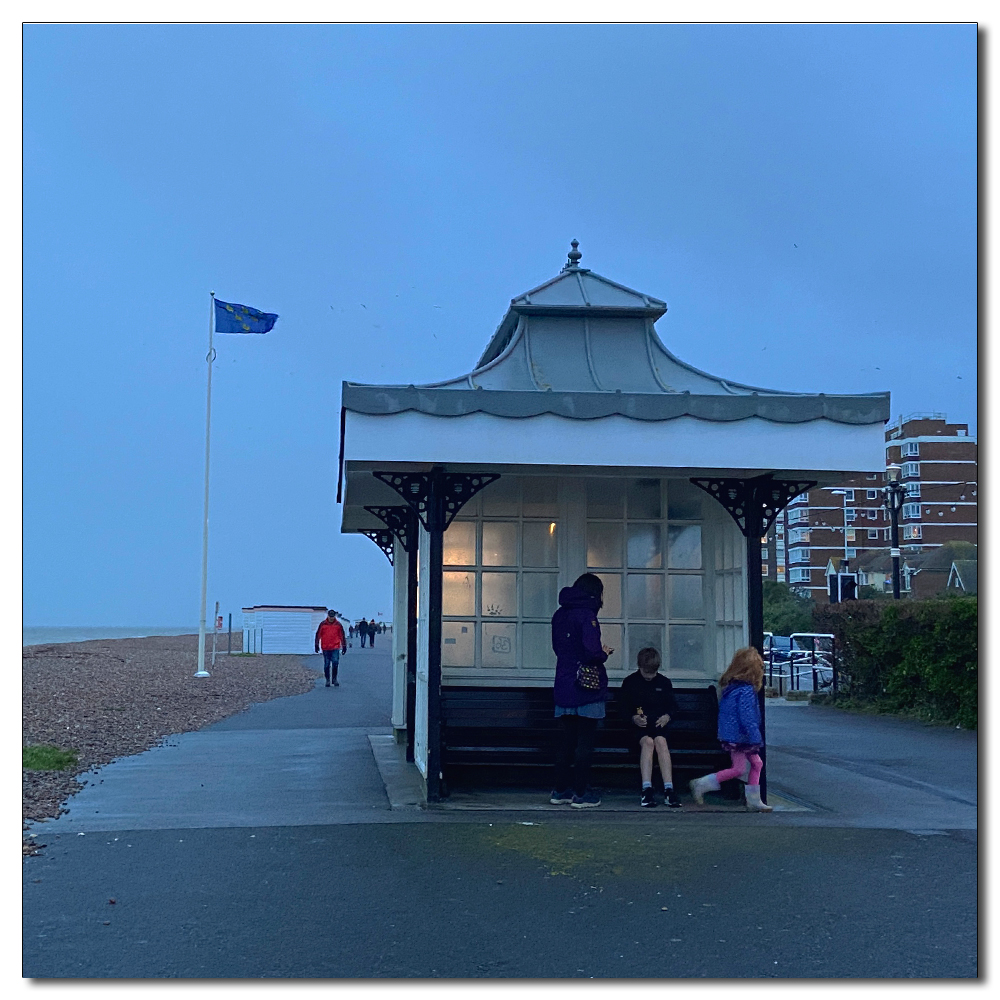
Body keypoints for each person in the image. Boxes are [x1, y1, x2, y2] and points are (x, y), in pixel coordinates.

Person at [550, 573, 615, 808]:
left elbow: (558, 648)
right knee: (585, 742)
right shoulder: (587, 616)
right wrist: (604, 654)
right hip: (586, 686)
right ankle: (581, 792)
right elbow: (591, 652)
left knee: (567, 740)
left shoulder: (560, 614)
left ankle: (560, 790)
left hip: (564, 682)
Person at [689, 647, 773, 812]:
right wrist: (755, 735)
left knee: (756, 763)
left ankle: (754, 800)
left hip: (733, 735)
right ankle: (702, 783)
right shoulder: (746, 690)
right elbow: (747, 715)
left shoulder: (732, 688)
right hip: (742, 736)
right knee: (740, 768)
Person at [618, 647, 681, 808]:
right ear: (639, 667)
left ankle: (669, 788)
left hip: (658, 725)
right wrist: (633, 718)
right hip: (638, 728)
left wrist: (667, 716)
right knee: (648, 743)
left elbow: (673, 706)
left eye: (652, 673)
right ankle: (647, 788)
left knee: (661, 741)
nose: (650, 677)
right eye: (646, 673)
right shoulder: (630, 682)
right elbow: (622, 708)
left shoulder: (664, 683)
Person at [314, 610, 347, 688]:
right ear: (328, 616)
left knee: (335, 663)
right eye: (330, 616)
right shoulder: (322, 624)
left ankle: (334, 679)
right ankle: (328, 680)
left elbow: (342, 635)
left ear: (334, 616)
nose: (331, 618)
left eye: (333, 616)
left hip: (335, 647)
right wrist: (316, 645)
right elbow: (318, 634)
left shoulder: (338, 625)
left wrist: (344, 646)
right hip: (325, 647)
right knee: (327, 665)